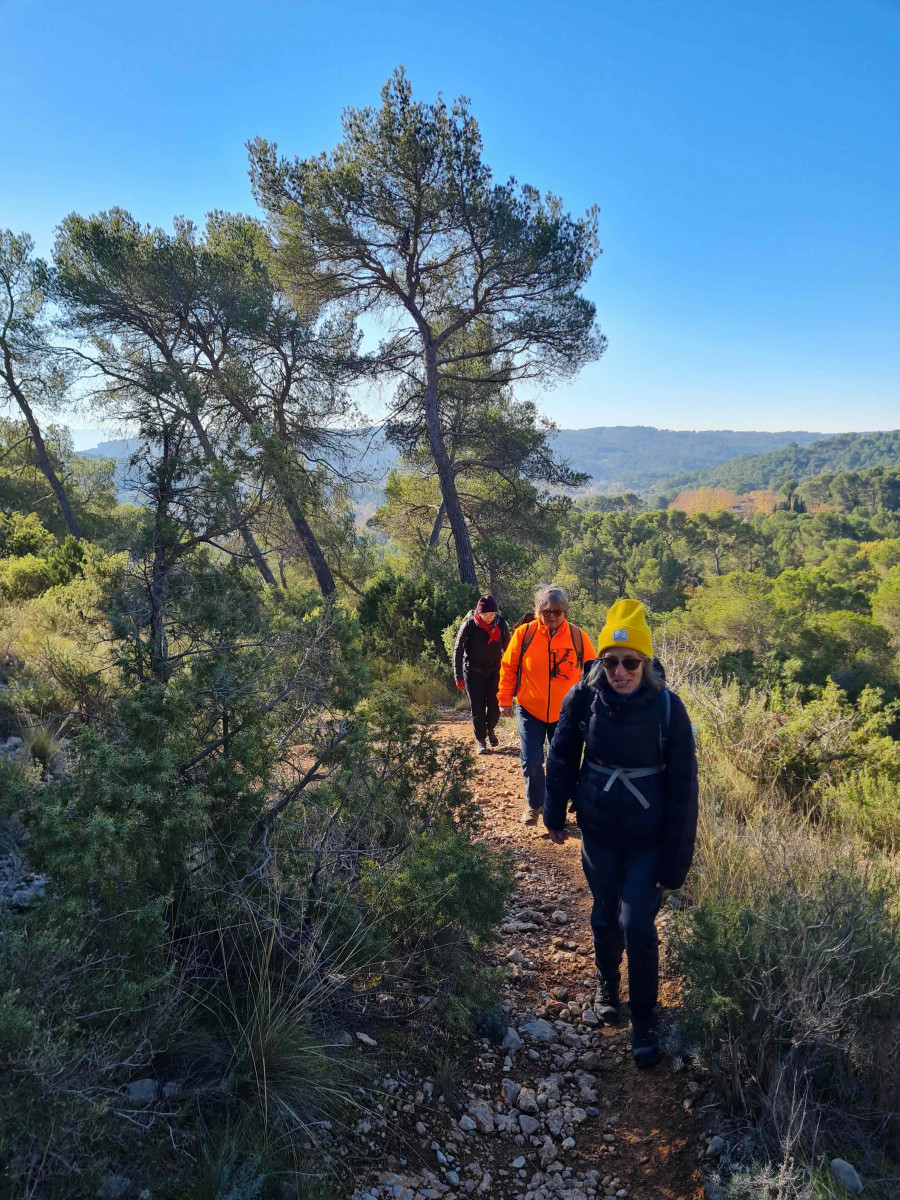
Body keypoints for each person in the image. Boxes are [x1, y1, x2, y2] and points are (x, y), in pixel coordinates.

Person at [543, 599, 698, 1068]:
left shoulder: (669, 709)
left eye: (630, 662)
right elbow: (564, 755)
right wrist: (553, 812)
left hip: (649, 838)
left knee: (637, 923)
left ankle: (645, 1019)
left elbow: (684, 788)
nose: (620, 671)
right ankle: (608, 986)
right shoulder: (584, 697)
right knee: (607, 914)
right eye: (610, 661)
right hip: (600, 829)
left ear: (646, 663)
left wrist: (676, 862)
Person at [498, 585, 595, 824]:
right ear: (538, 610)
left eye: (556, 611)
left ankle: (557, 807)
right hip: (530, 708)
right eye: (546, 610)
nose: (551, 615)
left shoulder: (577, 636)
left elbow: (593, 674)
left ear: (565, 612)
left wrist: (591, 706)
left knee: (561, 761)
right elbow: (509, 667)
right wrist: (504, 699)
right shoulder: (525, 634)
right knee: (532, 759)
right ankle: (534, 805)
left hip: (566, 712)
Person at [453, 595, 511, 753]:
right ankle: (481, 741)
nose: (489, 617)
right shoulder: (469, 625)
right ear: (478, 614)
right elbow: (458, 650)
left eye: (492, 614)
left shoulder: (501, 623)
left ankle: (490, 729)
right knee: (477, 709)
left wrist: (512, 673)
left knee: (494, 707)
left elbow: (509, 648)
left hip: (495, 672)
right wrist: (458, 676)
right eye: (485, 615)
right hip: (473, 673)